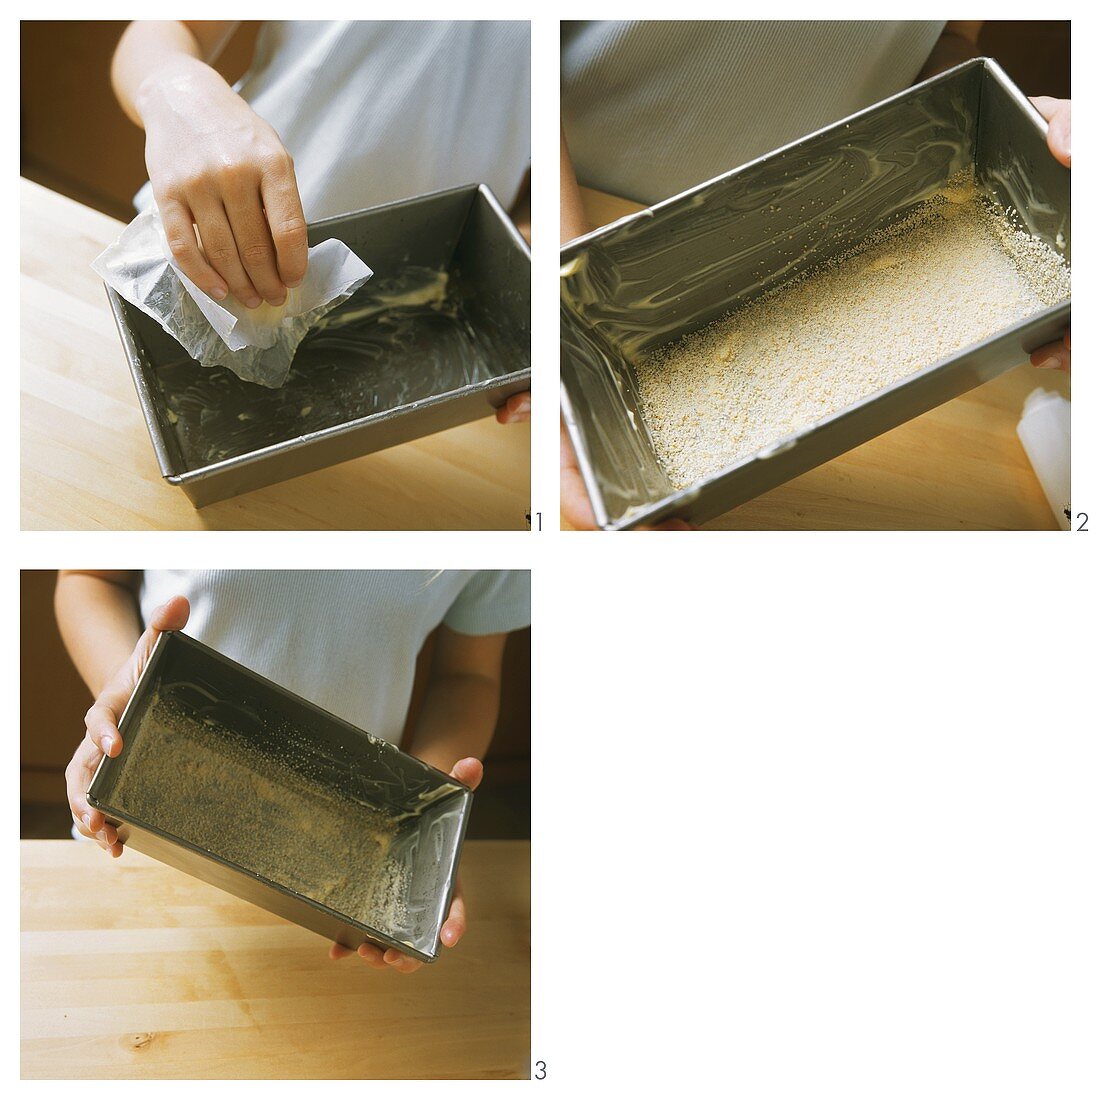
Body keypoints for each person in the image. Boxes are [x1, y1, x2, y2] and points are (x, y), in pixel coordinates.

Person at [560, 20, 1072, 529]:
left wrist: (1019, 124)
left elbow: (935, 39)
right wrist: (570, 283)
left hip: (888, 188)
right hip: (600, 213)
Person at [58, 569, 530, 974]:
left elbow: (468, 676)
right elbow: (88, 578)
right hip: (138, 838)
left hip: (345, 873)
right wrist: (123, 699)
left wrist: (428, 820)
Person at [113, 20, 531, 425]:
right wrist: (178, 89)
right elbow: (166, 27)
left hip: (424, 340)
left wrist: (532, 288)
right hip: (189, 265)